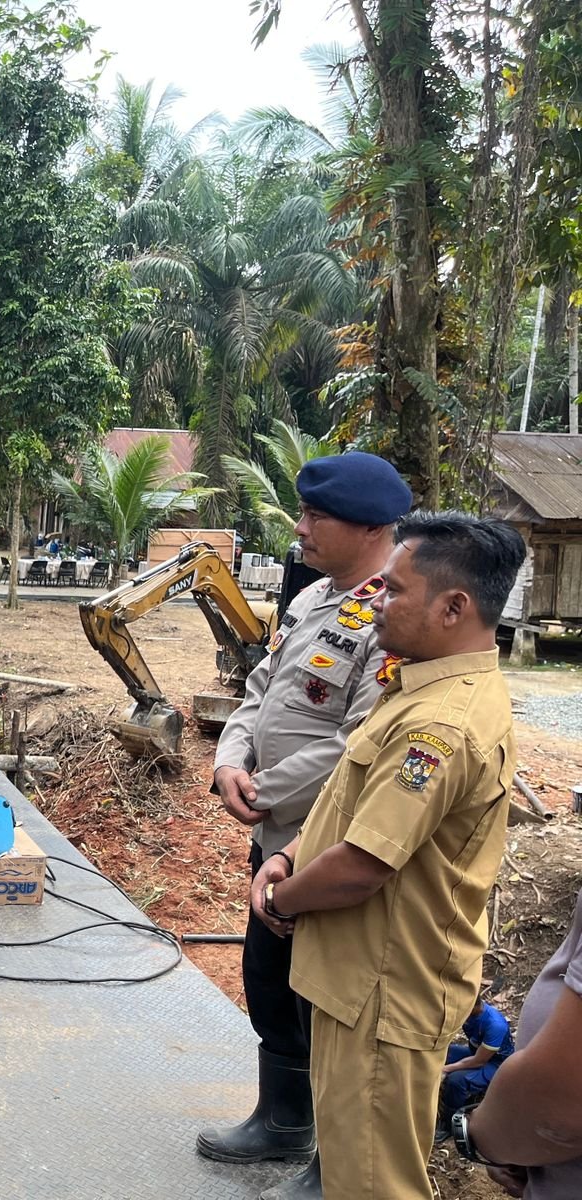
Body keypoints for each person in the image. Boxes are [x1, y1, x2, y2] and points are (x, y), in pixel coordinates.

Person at [251, 512, 527, 1200]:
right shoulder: (422, 687)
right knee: (352, 1169)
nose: (376, 601)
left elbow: (363, 865)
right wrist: (292, 856)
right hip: (362, 981)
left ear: (453, 607)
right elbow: (355, 803)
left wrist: (281, 898)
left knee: (374, 1185)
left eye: (395, 589)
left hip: (382, 990)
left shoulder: (440, 724)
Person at [198, 451, 413, 1197]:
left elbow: (359, 742)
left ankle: (333, 1164)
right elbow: (260, 688)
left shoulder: (394, 616)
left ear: (372, 527)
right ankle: (283, 1120)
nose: (300, 527)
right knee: (269, 978)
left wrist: (264, 787)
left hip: (326, 839)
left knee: (326, 999)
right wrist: (230, 760)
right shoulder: (314, 597)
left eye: (317, 516)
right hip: (272, 835)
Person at [460, 887, 582, 1198]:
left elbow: (558, 1109)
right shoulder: (473, 1019)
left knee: (458, 1081)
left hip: (494, 1069)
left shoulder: (492, 1023)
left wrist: (477, 1137)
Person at [438, 996, 514, 1118]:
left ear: (472, 1006)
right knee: (444, 1053)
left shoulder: (495, 1025)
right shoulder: (468, 1013)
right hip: (476, 1052)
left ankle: (449, 1119)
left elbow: (479, 1061)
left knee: (456, 1080)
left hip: (496, 1064)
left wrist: (445, 1069)